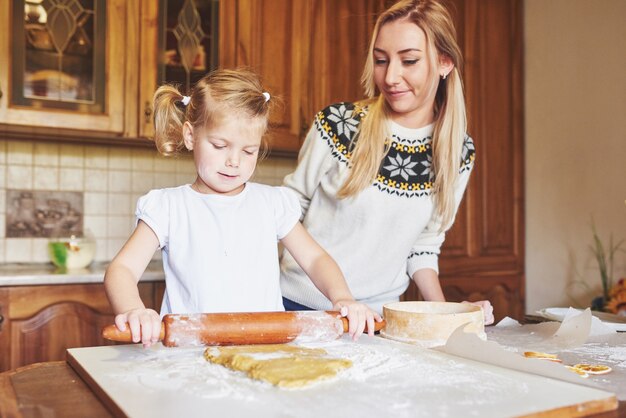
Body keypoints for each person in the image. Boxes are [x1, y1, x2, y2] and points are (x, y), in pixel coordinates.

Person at [104, 69, 381, 348]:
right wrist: (132, 310)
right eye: (220, 145)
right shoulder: (168, 207)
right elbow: (122, 269)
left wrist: (343, 298)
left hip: (265, 352)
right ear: (190, 135)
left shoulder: (271, 204)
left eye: (248, 151)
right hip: (188, 357)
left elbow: (315, 259)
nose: (234, 161)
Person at [279, 0, 494, 325]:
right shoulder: (339, 125)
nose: (390, 76)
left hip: (379, 320)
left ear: (444, 62)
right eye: (381, 60)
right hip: (300, 307)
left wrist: (447, 315)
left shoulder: (458, 152)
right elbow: (285, 212)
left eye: (409, 60)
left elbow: (424, 245)